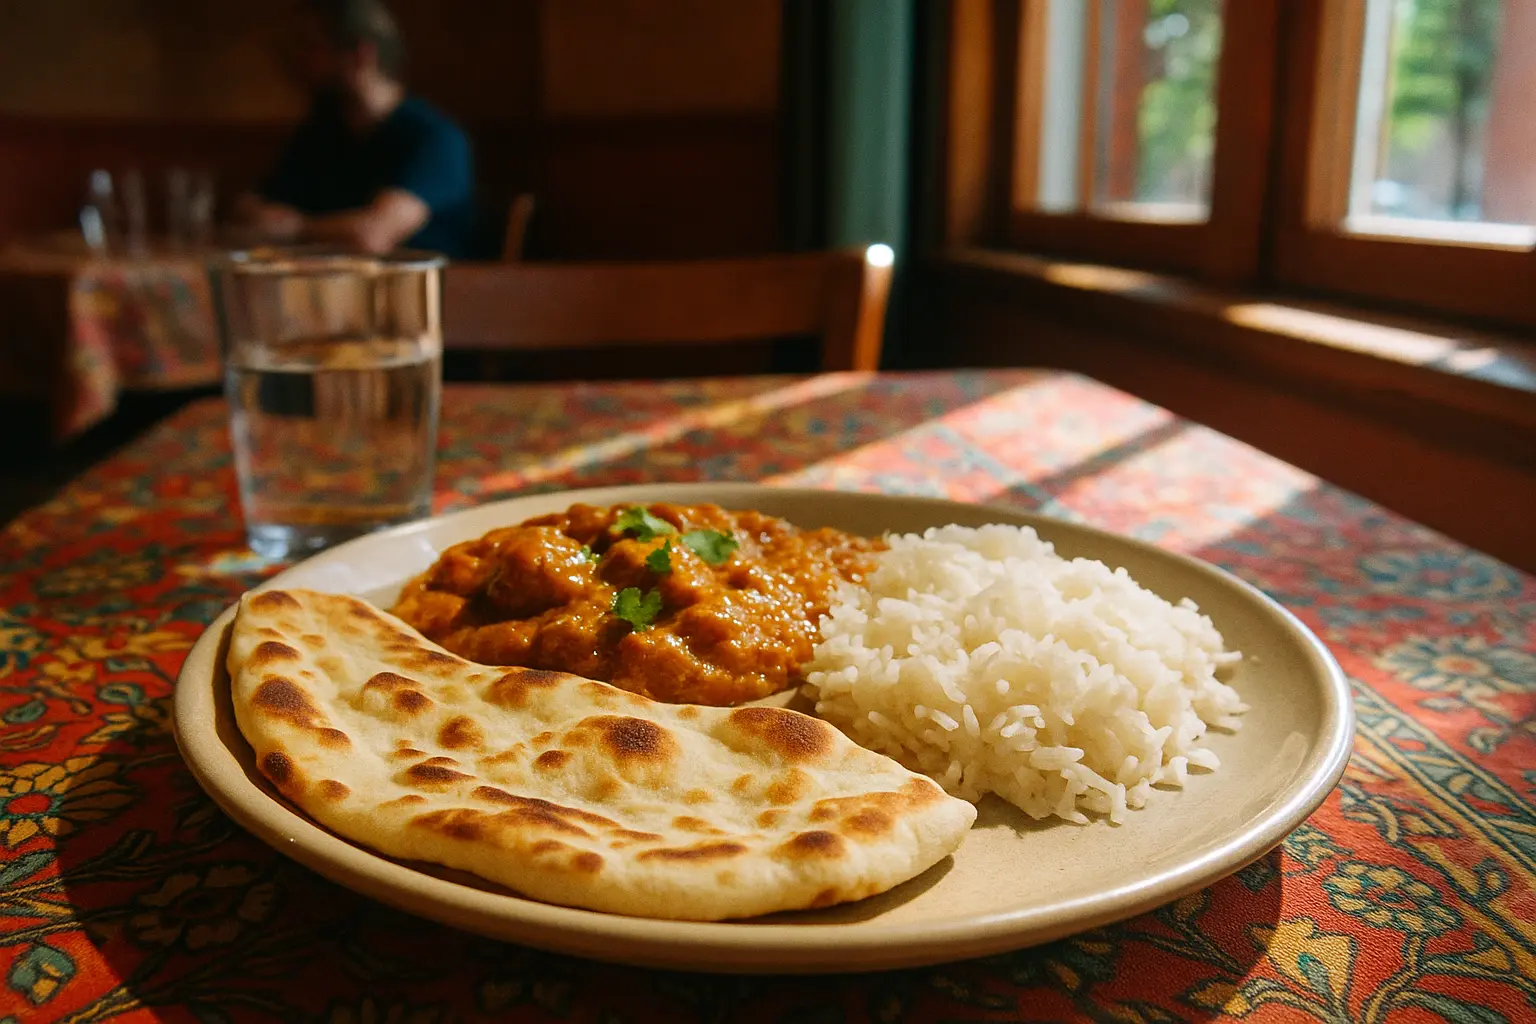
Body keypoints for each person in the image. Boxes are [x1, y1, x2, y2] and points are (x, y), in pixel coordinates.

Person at [234, 0, 477, 258]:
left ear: (362, 54)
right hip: (326, 280)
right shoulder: (323, 132)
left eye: (312, 47)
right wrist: (261, 216)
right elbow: (254, 205)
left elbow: (372, 235)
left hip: (422, 283)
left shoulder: (436, 139)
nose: (299, 61)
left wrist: (294, 227)